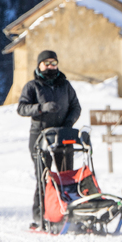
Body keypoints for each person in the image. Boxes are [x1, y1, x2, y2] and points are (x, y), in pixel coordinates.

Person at [17, 50, 81, 229]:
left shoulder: (65, 85)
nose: (51, 67)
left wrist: (69, 122)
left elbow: (76, 106)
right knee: (44, 177)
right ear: (39, 65)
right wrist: (41, 108)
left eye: (54, 63)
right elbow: (21, 108)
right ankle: (40, 217)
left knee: (65, 176)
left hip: (62, 135)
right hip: (40, 136)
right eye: (47, 63)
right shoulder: (33, 86)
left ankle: (65, 214)